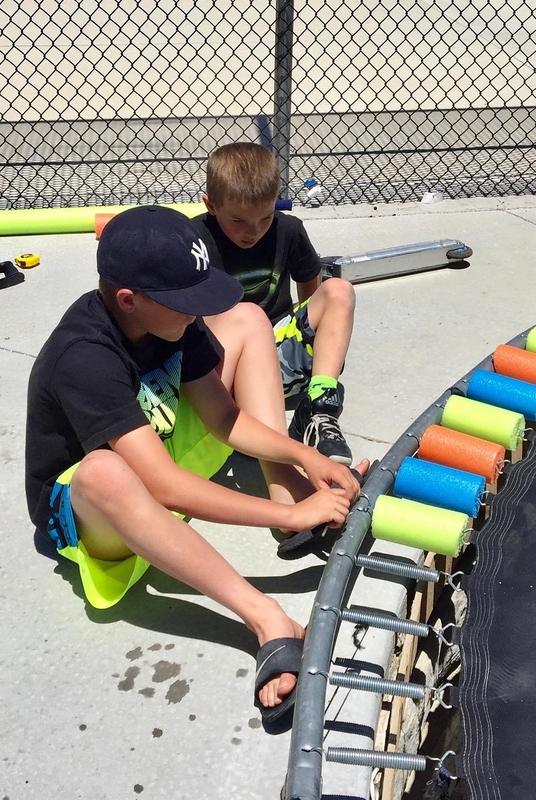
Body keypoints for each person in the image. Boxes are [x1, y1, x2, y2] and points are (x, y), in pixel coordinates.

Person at [25, 205, 366, 725]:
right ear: (128, 300)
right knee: (105, 471)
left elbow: (223, 416)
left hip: (155, 451)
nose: (195, 313)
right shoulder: (84, 354)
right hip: (98, 518)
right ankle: (265, 618)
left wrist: (305, 456)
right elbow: (165, 488)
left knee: (249, 319)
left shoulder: (167, 323)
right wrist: (291, 519)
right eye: (185, 304)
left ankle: (285, 488)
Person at [193, 142, 356, 466]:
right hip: (225, 361)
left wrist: (314, 342)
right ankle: (248, 427)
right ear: (211, 205)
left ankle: (319, 408)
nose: (252, 231)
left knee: (339, 290)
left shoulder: (288, 229)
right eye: (238, 221)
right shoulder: (194, 240)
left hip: (277, 342)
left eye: (265, 218)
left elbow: (310, 292)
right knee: (243, 314)